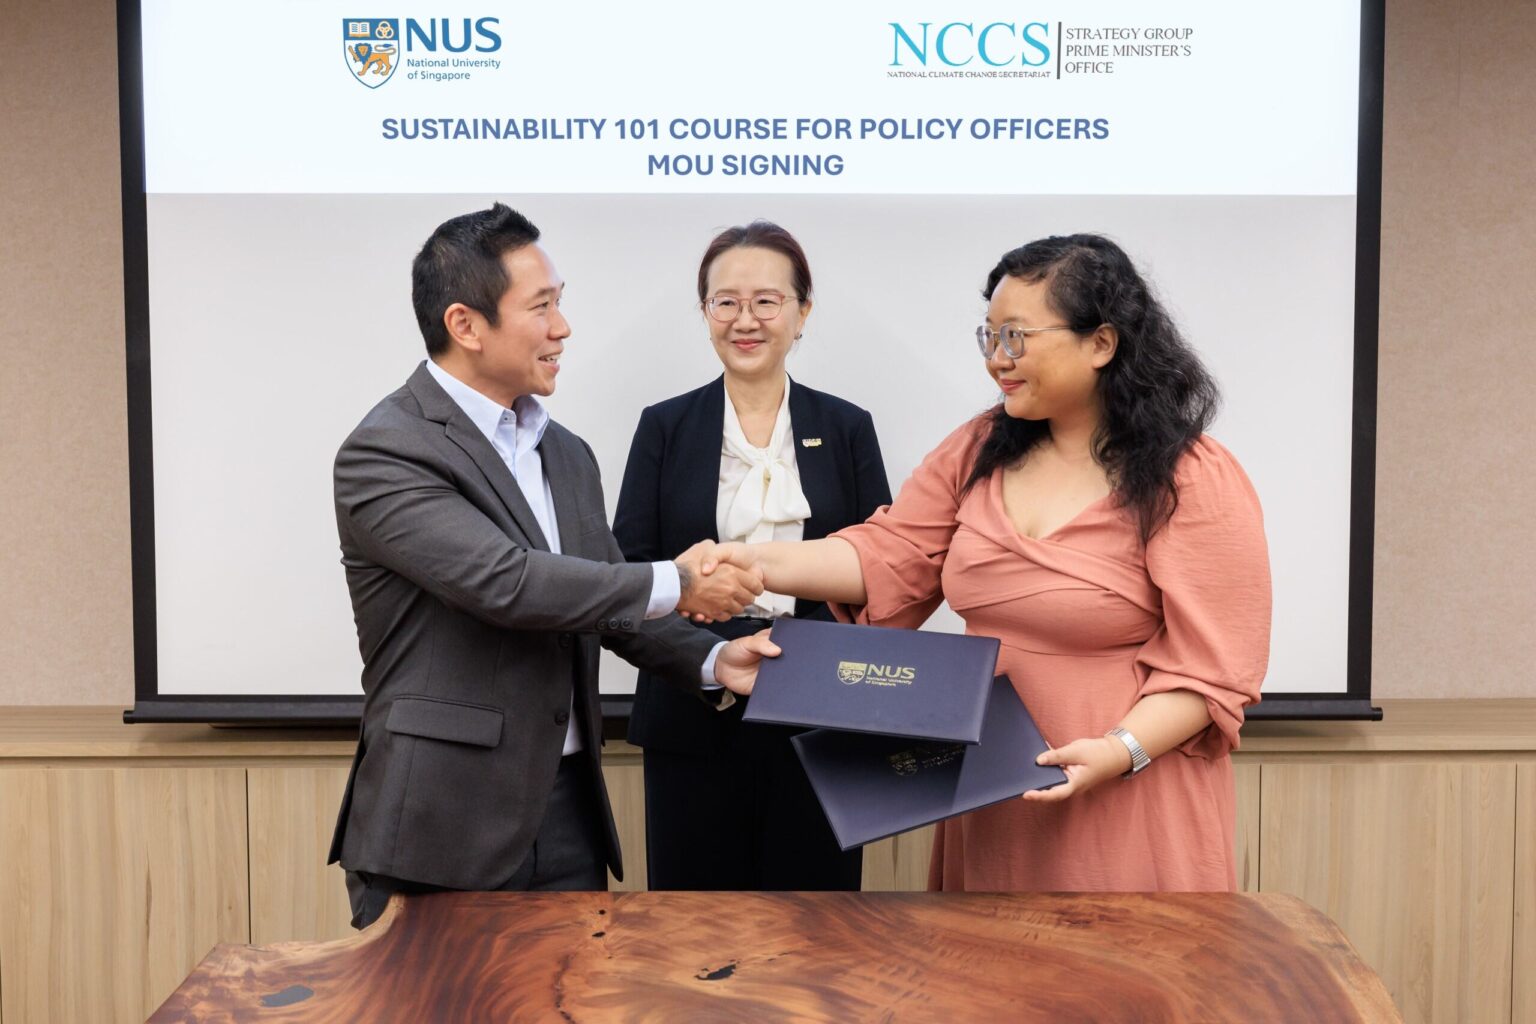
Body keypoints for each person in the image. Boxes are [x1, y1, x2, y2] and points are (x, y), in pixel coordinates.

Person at [701, 234, 1272, 891]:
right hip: (996, 787)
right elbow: (889, 554)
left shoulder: (1190, 478)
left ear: (1101, 343)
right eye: (989, 338)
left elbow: (1214, 667)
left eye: (1017, 338)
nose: (997, 361)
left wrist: (1120, 751)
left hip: (1130, 790)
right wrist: (747, 562)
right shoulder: (979, 447)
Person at [328, 203, 780, 928]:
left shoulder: (563, 451)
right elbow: (505, 583)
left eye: (559, 303)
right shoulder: (388, 450)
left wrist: (715, 660)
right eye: (541, 307)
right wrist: (681, 579)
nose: (562, 327)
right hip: (442, 819)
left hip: (570, 809)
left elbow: (605, 600)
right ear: (465, 325)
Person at [612, 221, 892, 891]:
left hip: (820, 721)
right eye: (725, 301)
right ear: (705, 312)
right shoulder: (664, 426)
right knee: (695, 943)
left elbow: (884, 571)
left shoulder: (847, 427)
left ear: (803, 312)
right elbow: (629, 576)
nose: (746, 319)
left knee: (817, 938)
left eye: (767, 300)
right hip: (692, 714)